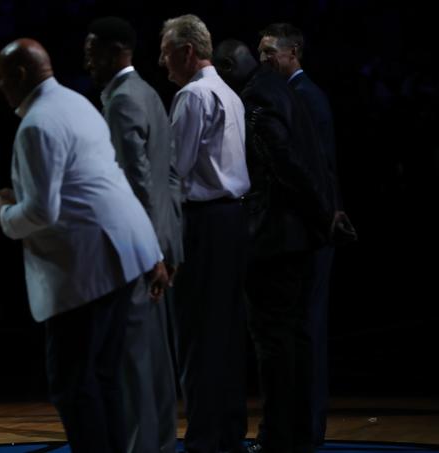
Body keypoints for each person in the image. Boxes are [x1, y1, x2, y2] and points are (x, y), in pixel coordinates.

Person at [0, 38, 168, 453]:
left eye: (2, 78)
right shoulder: (76, 102)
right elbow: (81, 183)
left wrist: (2, 213)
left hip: (87, 268)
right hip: (123, 254)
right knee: (104, 378)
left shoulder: (36, 123)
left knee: (72, 384)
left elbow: (42, 213)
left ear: (18, 76)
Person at [214, 39, 335, 453]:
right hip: (297, 236)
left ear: (229, 66)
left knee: (274, 343)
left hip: (277, 240)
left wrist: (320, 213)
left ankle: (278, 437)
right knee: (293, 341)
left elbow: (283, 161)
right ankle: (295, 435)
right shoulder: (280, 86)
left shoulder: (257, 96)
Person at [84, 16, 182, 453]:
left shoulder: (123, 100)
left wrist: (151, 253)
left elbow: (137, 184)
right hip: (159, 246)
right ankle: (159, 446)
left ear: (114, 51)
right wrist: (169, 244)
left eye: (92, 51)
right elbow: (171, 177)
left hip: (138, 254)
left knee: (135, 365)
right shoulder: (149, 93)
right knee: (156, 365)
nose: (87, 61)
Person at [258, 23, 357, 445]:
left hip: (314, 230)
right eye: (259, 52)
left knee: (309, 332)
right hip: (308, 228)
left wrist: (329, 215)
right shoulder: (291, 95)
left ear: (292, 51)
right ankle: (299, 426)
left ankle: (309, 428)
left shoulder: (305, 97)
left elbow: (320, 168)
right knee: (300, 332)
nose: (263, 59)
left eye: (269, 52)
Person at [159, 15, 250, 453]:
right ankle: (228, 433)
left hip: (204, 224)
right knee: (226, 335)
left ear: (187, 52)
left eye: (165, 51)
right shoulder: (229, 94)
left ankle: (204, 440)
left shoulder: (193, 96)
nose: (162, 61)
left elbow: (174, 171)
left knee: (196, 337)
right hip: (233, 221)